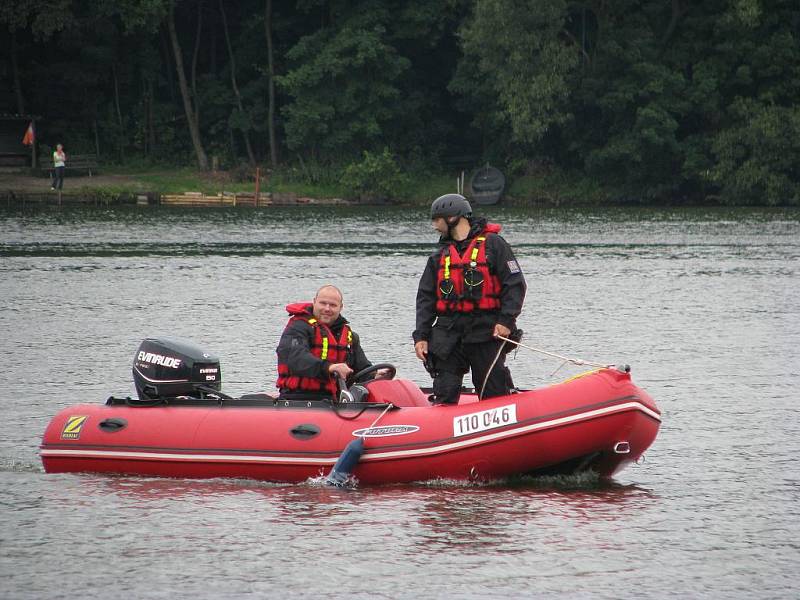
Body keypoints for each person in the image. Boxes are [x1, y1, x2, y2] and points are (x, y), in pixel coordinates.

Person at [413, 193, 526, 404]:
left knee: (492, 389)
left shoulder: (494, 245)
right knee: (445, 389)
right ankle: (443, 428)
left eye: (437, 219)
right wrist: (421, 336)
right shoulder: (439, 255)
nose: (435, 226)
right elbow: (425, 299)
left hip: (485, 329)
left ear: (453, 218)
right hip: (448, 333)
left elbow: (515, 285)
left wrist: (506, 321)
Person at [276, 285, 387, 401]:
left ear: (341, 307)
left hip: (334, 399)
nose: (327, 309)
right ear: (314, 302)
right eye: (323, 303)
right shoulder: (298, 328)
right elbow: (295, 358)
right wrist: (329, 367)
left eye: (333, 305)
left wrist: (375, 375)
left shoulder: (349, 336)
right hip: (298, 398)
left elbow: (361, 367)